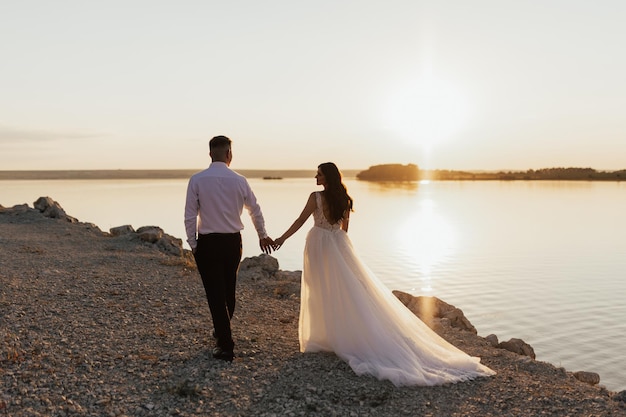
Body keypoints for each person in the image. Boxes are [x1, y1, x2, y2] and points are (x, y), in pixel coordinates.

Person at [273, 162, 495, 386]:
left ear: (327, 177)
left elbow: (301, 221)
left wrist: (281, 239)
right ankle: (336, 335)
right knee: (344, 292)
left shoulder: (315, 197)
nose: (315, 177)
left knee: (319, 290)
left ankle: (325, 337)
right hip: (339, 245)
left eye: (319, 174)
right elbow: (344, 231)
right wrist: (340, 247)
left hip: (319, 243)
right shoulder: (345, 199)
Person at [184, 135, 274, 362]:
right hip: (233, 242)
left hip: (209, 242)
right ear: (229, 154)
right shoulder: (240, 180)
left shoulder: (197, 180)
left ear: (210, 154)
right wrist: (262, 236)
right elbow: (256, 210)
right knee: (228, 290)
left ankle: (226, 346)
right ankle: (222, 331)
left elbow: (189, 215)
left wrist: (193, 244)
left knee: (215, 294)